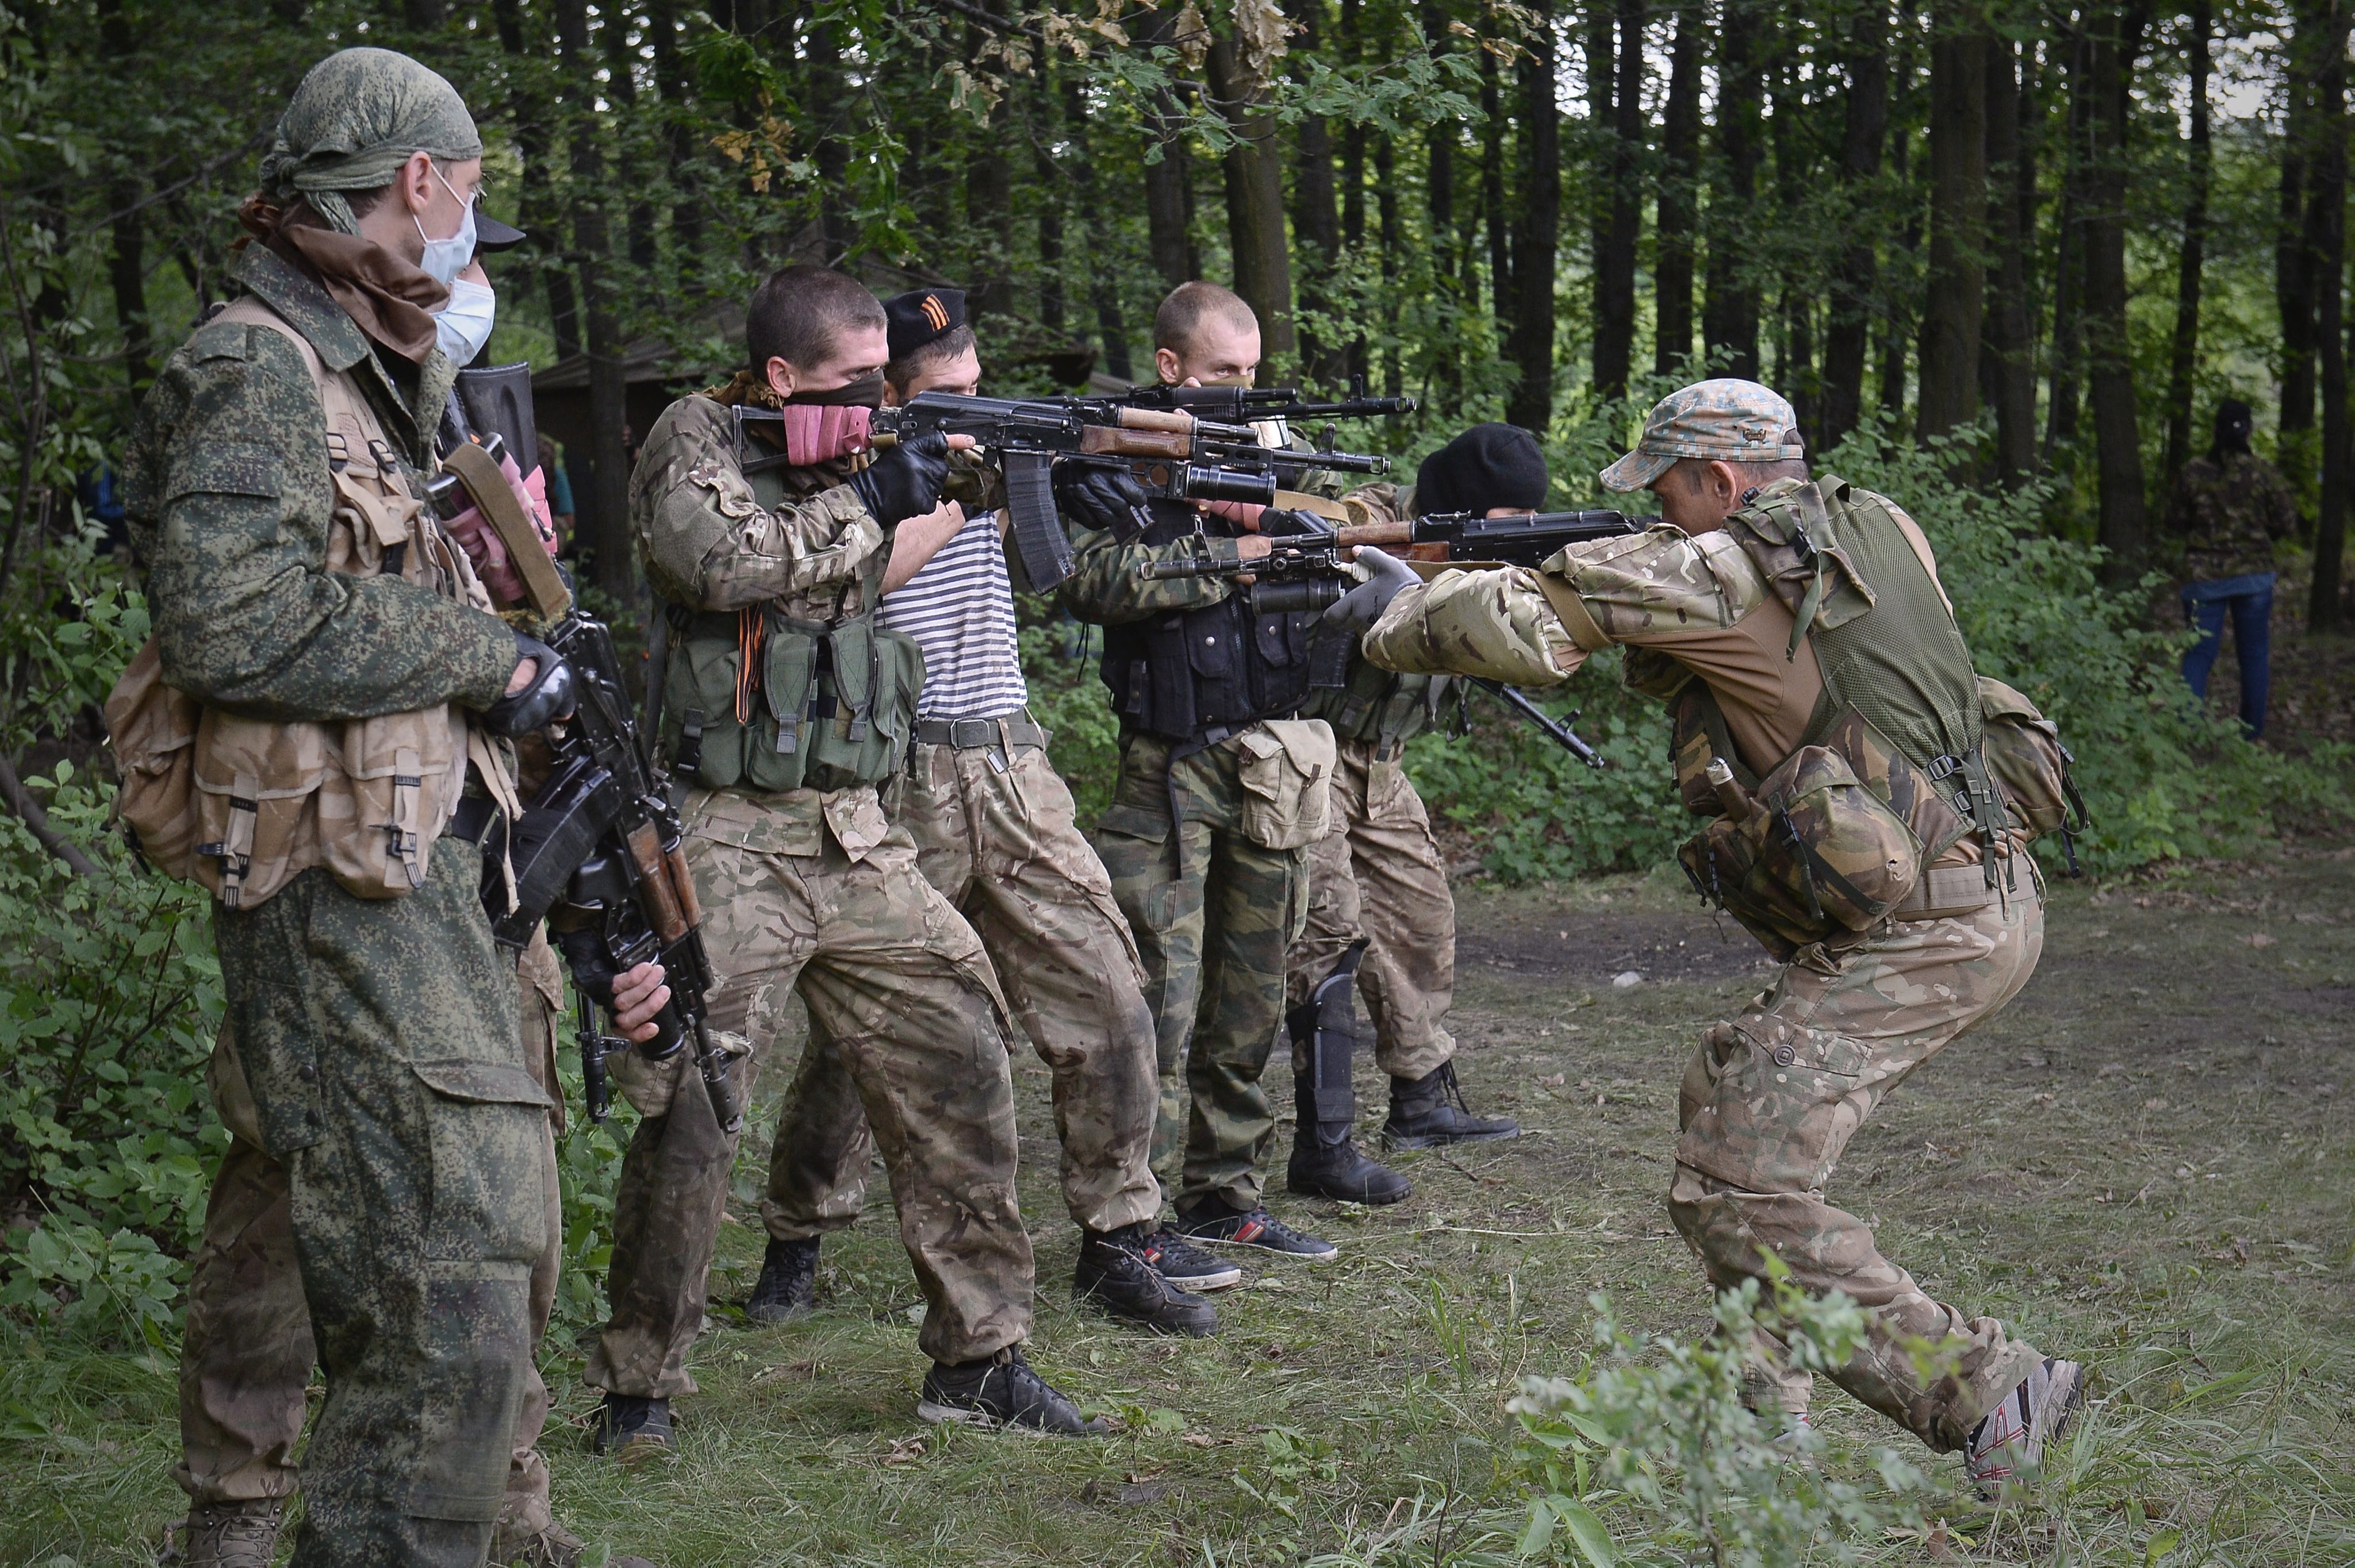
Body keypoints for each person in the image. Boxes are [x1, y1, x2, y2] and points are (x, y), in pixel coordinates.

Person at [1340, 378, 2085, 1494]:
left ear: (1721, 482)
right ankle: (1757, 1402)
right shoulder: (1877, 524)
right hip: (1977, 884)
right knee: (1731, 1097)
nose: (1661, 512)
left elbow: (1516, 629)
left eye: (1668, 491)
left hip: (1927, 921)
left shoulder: (1716, 566)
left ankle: (1988, 1391)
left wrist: (1391, 608)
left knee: (1731, 1186)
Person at [114, 47, 612, 1566]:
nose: (467, 223)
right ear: (415, 184)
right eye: (464, 193)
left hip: (407, 867)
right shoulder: (255, 367)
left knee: (462, 1249)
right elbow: (231, 622)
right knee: (446, 1271)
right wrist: (487, 654)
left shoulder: (369, 382)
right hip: (332, 886)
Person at [591, 264, 1101, 1448]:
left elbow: (955, 487)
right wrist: (877, 489)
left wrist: (1039, 458)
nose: (876, 403)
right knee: (697, 1109)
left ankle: (980, 1354)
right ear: (781, 378)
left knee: (964, 1050)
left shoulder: (874, 447)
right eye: (851, 385)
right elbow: (711, 561)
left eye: (886, 383)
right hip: (726, 830)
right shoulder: (700, 435)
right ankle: (638, 1385)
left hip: (856, 831)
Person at [745, 287, 1232, 1335]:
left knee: (1106, 986)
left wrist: (1083, 464)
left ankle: (1119, 1229)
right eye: (949, 398)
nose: (972, 410)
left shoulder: (983, 458)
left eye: (979, 392)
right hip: (898, 770)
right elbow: (850, 584)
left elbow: (1048, 558)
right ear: (891, 406)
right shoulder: (847, 481)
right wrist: (957, 486)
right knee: (858, 1039)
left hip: (1011, 758)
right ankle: (799, 1229)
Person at [1056, 281, 1404, 1265]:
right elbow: (1087, 581)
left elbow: (1352, 530)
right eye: (1220, 374)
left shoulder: (1277, 456)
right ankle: (1135, 1218)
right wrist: (1233, 547)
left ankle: (1225, 1193)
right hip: (1167, 770)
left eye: (1250, 374)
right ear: (1170, 369)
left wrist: (1312, 529)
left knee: (1250, 998)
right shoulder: (1112, 462)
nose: (1240, 391)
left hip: (1270, 759)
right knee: (1156, 1005)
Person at [1287, 426, 1529, 1174]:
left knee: (1420, 920)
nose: (1512, 543)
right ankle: (1323, 1141)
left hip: (1385, 764)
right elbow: (1300, 539)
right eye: (1501, 525)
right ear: (1457, 507)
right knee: (1326, 927)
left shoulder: (1487, 566)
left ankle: (1423, 1101)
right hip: (1310, 752)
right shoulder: (1365, 525)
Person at [2164, 399, 2299, 738]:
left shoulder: (2193, 472)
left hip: (2204, 579)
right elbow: (2287, 523)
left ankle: (2185, 735)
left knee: (2198, 655)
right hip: (2253, 578)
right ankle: (2250, 737)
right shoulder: (2264, 474)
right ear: (2249, 430)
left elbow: (2174, 520)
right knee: (2253, 656)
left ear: (2215, 430)